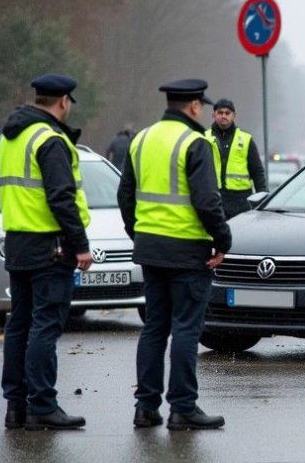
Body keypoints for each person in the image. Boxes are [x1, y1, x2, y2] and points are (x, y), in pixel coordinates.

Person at [117, 78, 232, 430]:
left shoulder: (142, 139)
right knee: (185, 329)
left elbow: (125, 195)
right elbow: (207, 201)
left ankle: (145, 408)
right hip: (187, 252)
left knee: (154, 327)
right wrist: (222, 240)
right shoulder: (195, 142)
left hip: (151, 251)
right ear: (195, 106)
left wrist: (138, 234)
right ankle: (183, 408)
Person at [0, 73, 93, 430]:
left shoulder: (9, 137)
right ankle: (42, 405)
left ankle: (16, 406)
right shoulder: (50, 139)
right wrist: (79, 245)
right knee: (45, 326)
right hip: (49, 246)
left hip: (18, 242)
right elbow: (61, 198)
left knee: (19, 325)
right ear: (63, 101)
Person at [204, 98, 267, 219]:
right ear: (214, 115)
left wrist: (262, 198)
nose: (224, 116)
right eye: (220, 113)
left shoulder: (245, 139)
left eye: (227, 113)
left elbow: (257, 172)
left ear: (234, 116)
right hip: (212, 199)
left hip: (240, 202)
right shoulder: (203, 138)